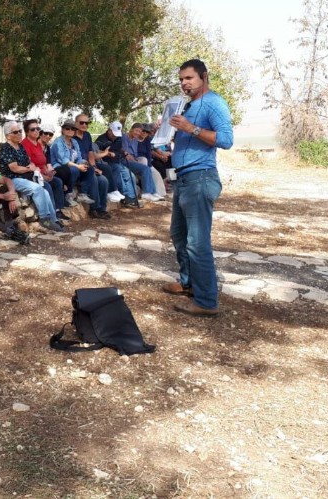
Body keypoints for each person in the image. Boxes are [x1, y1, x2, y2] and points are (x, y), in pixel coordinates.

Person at [163, 59, 234, 317]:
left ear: (204, 77)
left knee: (197, 242)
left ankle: (206, 301)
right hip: (183, 179)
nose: (184, 83)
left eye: (189, 78)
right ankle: (189, 284)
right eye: (181, 79)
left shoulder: (214, 102)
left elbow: (226, 140)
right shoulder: (187, 105)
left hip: (200, 178)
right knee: (179, 235)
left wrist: (191, 128)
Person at [0, 120, 65, 233]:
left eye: (20, 131)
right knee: (38, 189)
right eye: (15, 132)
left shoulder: (20, 146)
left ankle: (53, 220)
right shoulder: (6, 148)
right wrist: (29, 168)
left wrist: (30, 167)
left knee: (46, 192)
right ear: (8, 136)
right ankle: (44, 219)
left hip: (25, 177)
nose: (19, 133)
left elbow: (30, 162)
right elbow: (14, 168)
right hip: (12, 179)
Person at [96, 121, 160, 203]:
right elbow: (95, 151)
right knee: (126, 172)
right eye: (114, 133)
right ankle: (124, 195)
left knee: (135, 172)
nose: (115, 136)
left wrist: (123, 152)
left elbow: (120, 149)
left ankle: (132, 198)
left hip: (118, 160)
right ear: (109, 130)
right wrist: (106, 153)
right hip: (110, 162)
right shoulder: (102, 139)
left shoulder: (118, 138)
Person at [21, 119, 69, 220]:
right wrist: (43, 176)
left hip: (41, 174)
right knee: (47, 186)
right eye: (32, 129)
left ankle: (57, 210)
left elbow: (43, 163)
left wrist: (49, 172)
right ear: (27, 132)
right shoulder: (25, 144)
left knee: (58, 181)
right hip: (32, 175)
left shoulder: (38, 145)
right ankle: (51, 218)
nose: (36, 131)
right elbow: (30, 166)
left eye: (37, 128)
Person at [49, 119, 90, 208]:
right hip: (59, 168)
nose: (70, 131)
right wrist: (78, 166)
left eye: (73, 129)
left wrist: (82, 164)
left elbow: (79, 157)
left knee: (89, 168)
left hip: (72, 167)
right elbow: (63, 160)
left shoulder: (74, 142)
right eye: (67, 128)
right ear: (63, 130)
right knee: (74, 169)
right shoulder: (58, 142)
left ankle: (82, 193)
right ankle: (68, 195)